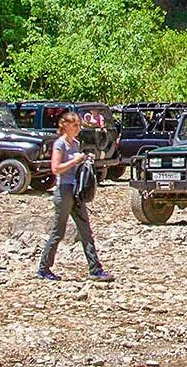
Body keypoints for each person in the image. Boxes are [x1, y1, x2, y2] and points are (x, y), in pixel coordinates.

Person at [38, 111, 113, 282]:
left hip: (76, 190)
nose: (78, 129)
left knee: (85, 230)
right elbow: (56, 168)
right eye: (75, 126)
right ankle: (44, 268)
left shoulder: (76, 143)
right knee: (58, 231)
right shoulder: (60, 144)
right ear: (65, 125)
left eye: (79, 125)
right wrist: (74, 161)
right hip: (63, 190)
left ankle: (95, 268)